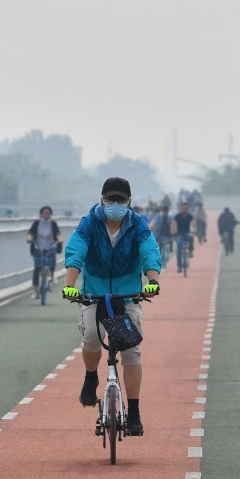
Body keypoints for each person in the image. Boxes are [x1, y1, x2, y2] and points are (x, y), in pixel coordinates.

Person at [61, 175, 162, 437]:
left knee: (131, 352)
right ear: (101, 200)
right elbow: (76, 252)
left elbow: (150, 252)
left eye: (120, 199)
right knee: (92, 338)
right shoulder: (89, 223)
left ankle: (135, 412)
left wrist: (152, 280)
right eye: (110, 199)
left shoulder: (138, 225)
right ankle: (90, 375)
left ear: (129, 202)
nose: (115, 204)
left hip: (127, 296)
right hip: (94, 294)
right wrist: (70, 285)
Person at [26, 205, 62, 300]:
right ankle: (35, 290)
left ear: (51, 214)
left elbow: (58, 234)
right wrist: (29, 238)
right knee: (37, 268)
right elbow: (30, 233)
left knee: (52, 262)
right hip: (38, 247)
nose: (46, 215)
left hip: (50, 246)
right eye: (44, 213)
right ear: (41, 214)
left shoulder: (53, 224)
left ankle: (52, 274)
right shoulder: (37, 223)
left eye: (48, 213)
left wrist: (60, 240)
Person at [171, 200, 195, 271]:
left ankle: (191, 250)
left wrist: (195, 229)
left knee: (191, 237)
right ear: (181, 208)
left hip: (187, 233)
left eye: (186, 208)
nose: (185, 209)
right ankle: (179, 266)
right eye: (183, 208)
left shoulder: (190, 216)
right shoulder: (177, 216)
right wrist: (173, 231)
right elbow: (173, 223)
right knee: (179, 248)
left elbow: (193, 223)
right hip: (179, 234)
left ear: (188, 208)